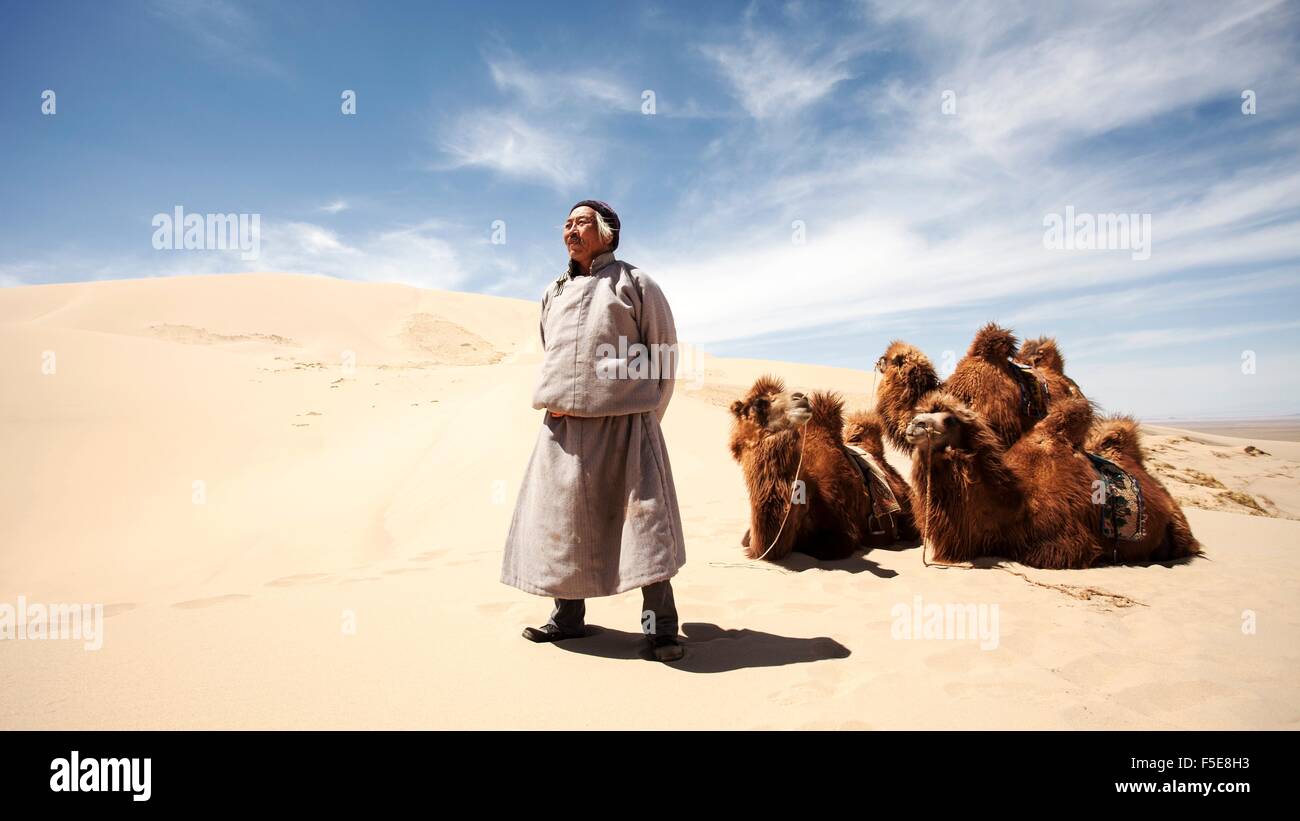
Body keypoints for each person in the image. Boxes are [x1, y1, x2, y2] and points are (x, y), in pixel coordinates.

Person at [500, 199, 687, 663]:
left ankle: (661, 630)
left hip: (626, 428)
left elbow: (663, 355)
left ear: (607, 233)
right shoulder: (553, 292)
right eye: (566, 222)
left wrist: (644, 416)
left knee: (643, 528)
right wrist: (564, 397)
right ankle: (568, 620)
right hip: (562, 433)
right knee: (564, 527)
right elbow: (553, 352)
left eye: (582, 222)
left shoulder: (636, 284)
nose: (571, 229)